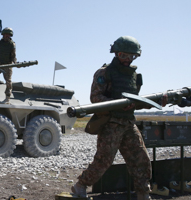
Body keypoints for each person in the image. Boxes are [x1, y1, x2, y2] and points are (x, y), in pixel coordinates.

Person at [71, 36, 166, 200]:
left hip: (129, 124)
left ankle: (143, 194)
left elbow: (136, 102)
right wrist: (117, 104)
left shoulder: (134, 75)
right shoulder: (104, 73)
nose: (127, 60)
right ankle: (80, 185)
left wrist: (156, 102)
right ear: (116, 53)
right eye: (124, 55)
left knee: (141, 159)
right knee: (103, 160)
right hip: (111, 124)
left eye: (131, 56)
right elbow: (95, 98)